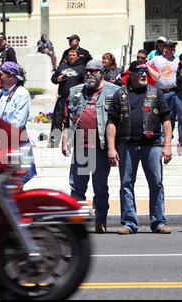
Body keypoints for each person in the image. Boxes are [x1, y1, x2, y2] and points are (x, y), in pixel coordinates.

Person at [107, 61, 172, 235]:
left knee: (156, 183)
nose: (144, 74)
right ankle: (129, 223)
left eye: (146, 72)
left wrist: (167, 145)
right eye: (140, 72)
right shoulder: (119, 94)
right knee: (126, 183)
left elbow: (166, 119)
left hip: (152, 146)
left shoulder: (155, 92)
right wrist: (111, 148)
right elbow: (112, 122)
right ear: (131, 74)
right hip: (127, 145)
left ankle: (159, 222)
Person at [62, 60, 119, 233]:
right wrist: (65, 140)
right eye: (87, 71)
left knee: (100, 186)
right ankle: (77, 223)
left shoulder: (114, 91)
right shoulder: (75, 91)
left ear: (101, 72)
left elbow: (119, 120)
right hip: (80, 141)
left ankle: (100, 221)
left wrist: (114, 147)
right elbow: (67, 119)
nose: (88, 74)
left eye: (93, 71)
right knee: (77, 187)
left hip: (101, 144)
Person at [0, 62, 36, 184]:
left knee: (15, 185)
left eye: (1, 74)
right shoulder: (0, 93)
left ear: (10, 76)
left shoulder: (22, 93)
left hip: (15, 145)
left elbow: (18, 123)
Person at [50, 49, 86, 147]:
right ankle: (54, 141)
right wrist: (57, 79)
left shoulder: (82, 68)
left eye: (73, 55)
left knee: (74, 120)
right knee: (57, 120)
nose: (71, 57)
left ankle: (73, 142)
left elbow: (85, 83)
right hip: (62, 98)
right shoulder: (62, 66)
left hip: (76, 100)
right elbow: (53, 79)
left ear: (78, 56)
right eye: (70, 55)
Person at [149, 40, 180, 133]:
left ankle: (168, 135)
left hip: (173, 92)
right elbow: (148, 69)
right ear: (165, 49)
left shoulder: (178, 60)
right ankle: (162, 136)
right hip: (159, 92)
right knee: (159, 115)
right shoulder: (156, 59)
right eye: (171, 47)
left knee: (171, 116)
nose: (174, 49)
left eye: (174, 47)